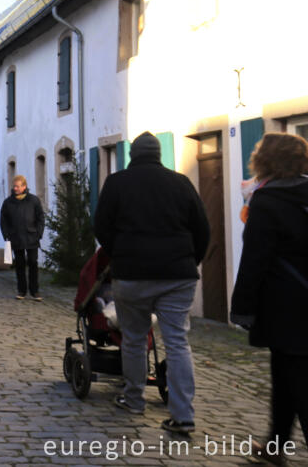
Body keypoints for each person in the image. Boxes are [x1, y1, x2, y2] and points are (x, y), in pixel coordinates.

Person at [94, 131, 209, 436]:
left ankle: (134, 399)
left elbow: (101, 227)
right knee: (177, 342)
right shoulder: (181, 182)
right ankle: (183, 415)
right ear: (158, 154)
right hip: (178, 274)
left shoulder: (117, 183)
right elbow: (202, 229)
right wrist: (189, 261)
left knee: (133, 337)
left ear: (133, 154)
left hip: (132, 274)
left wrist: (120, 253)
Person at [230, 133, 308, 464]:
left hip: (287, 304)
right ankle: (276, 444)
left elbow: (255, 260)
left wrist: (242, 309)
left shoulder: (267, 201)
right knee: (285, 376)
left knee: (298, 380)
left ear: (264, 161)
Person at [0, 175, 45, 301]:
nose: (16, 188)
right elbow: (3, 220)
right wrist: (7, 235)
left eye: (18, 186)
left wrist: (38, 233)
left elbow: (40, 218)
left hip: (31, 237)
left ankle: (35, 290)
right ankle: (22, 290)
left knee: (33, 263)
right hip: (16, 237)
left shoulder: (33, 200)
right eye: (14, 186)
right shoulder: (8, 202)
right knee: (19, 265)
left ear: (24, 186)